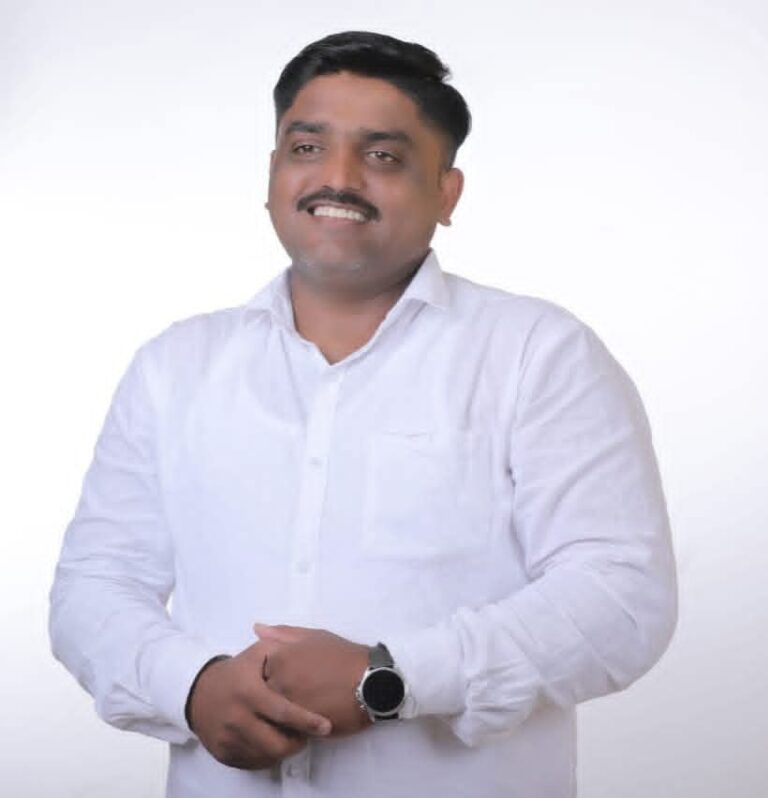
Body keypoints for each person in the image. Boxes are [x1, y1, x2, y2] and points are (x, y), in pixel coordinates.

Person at [49, 31, 677, 798]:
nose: (337, 178)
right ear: (273, 172)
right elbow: (94, 587)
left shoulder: (537, 355)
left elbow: (620, 597)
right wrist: (193, 686)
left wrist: (390, 678)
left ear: (446, 193)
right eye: (307, 147)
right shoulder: (173, 367)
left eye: (382, 155)